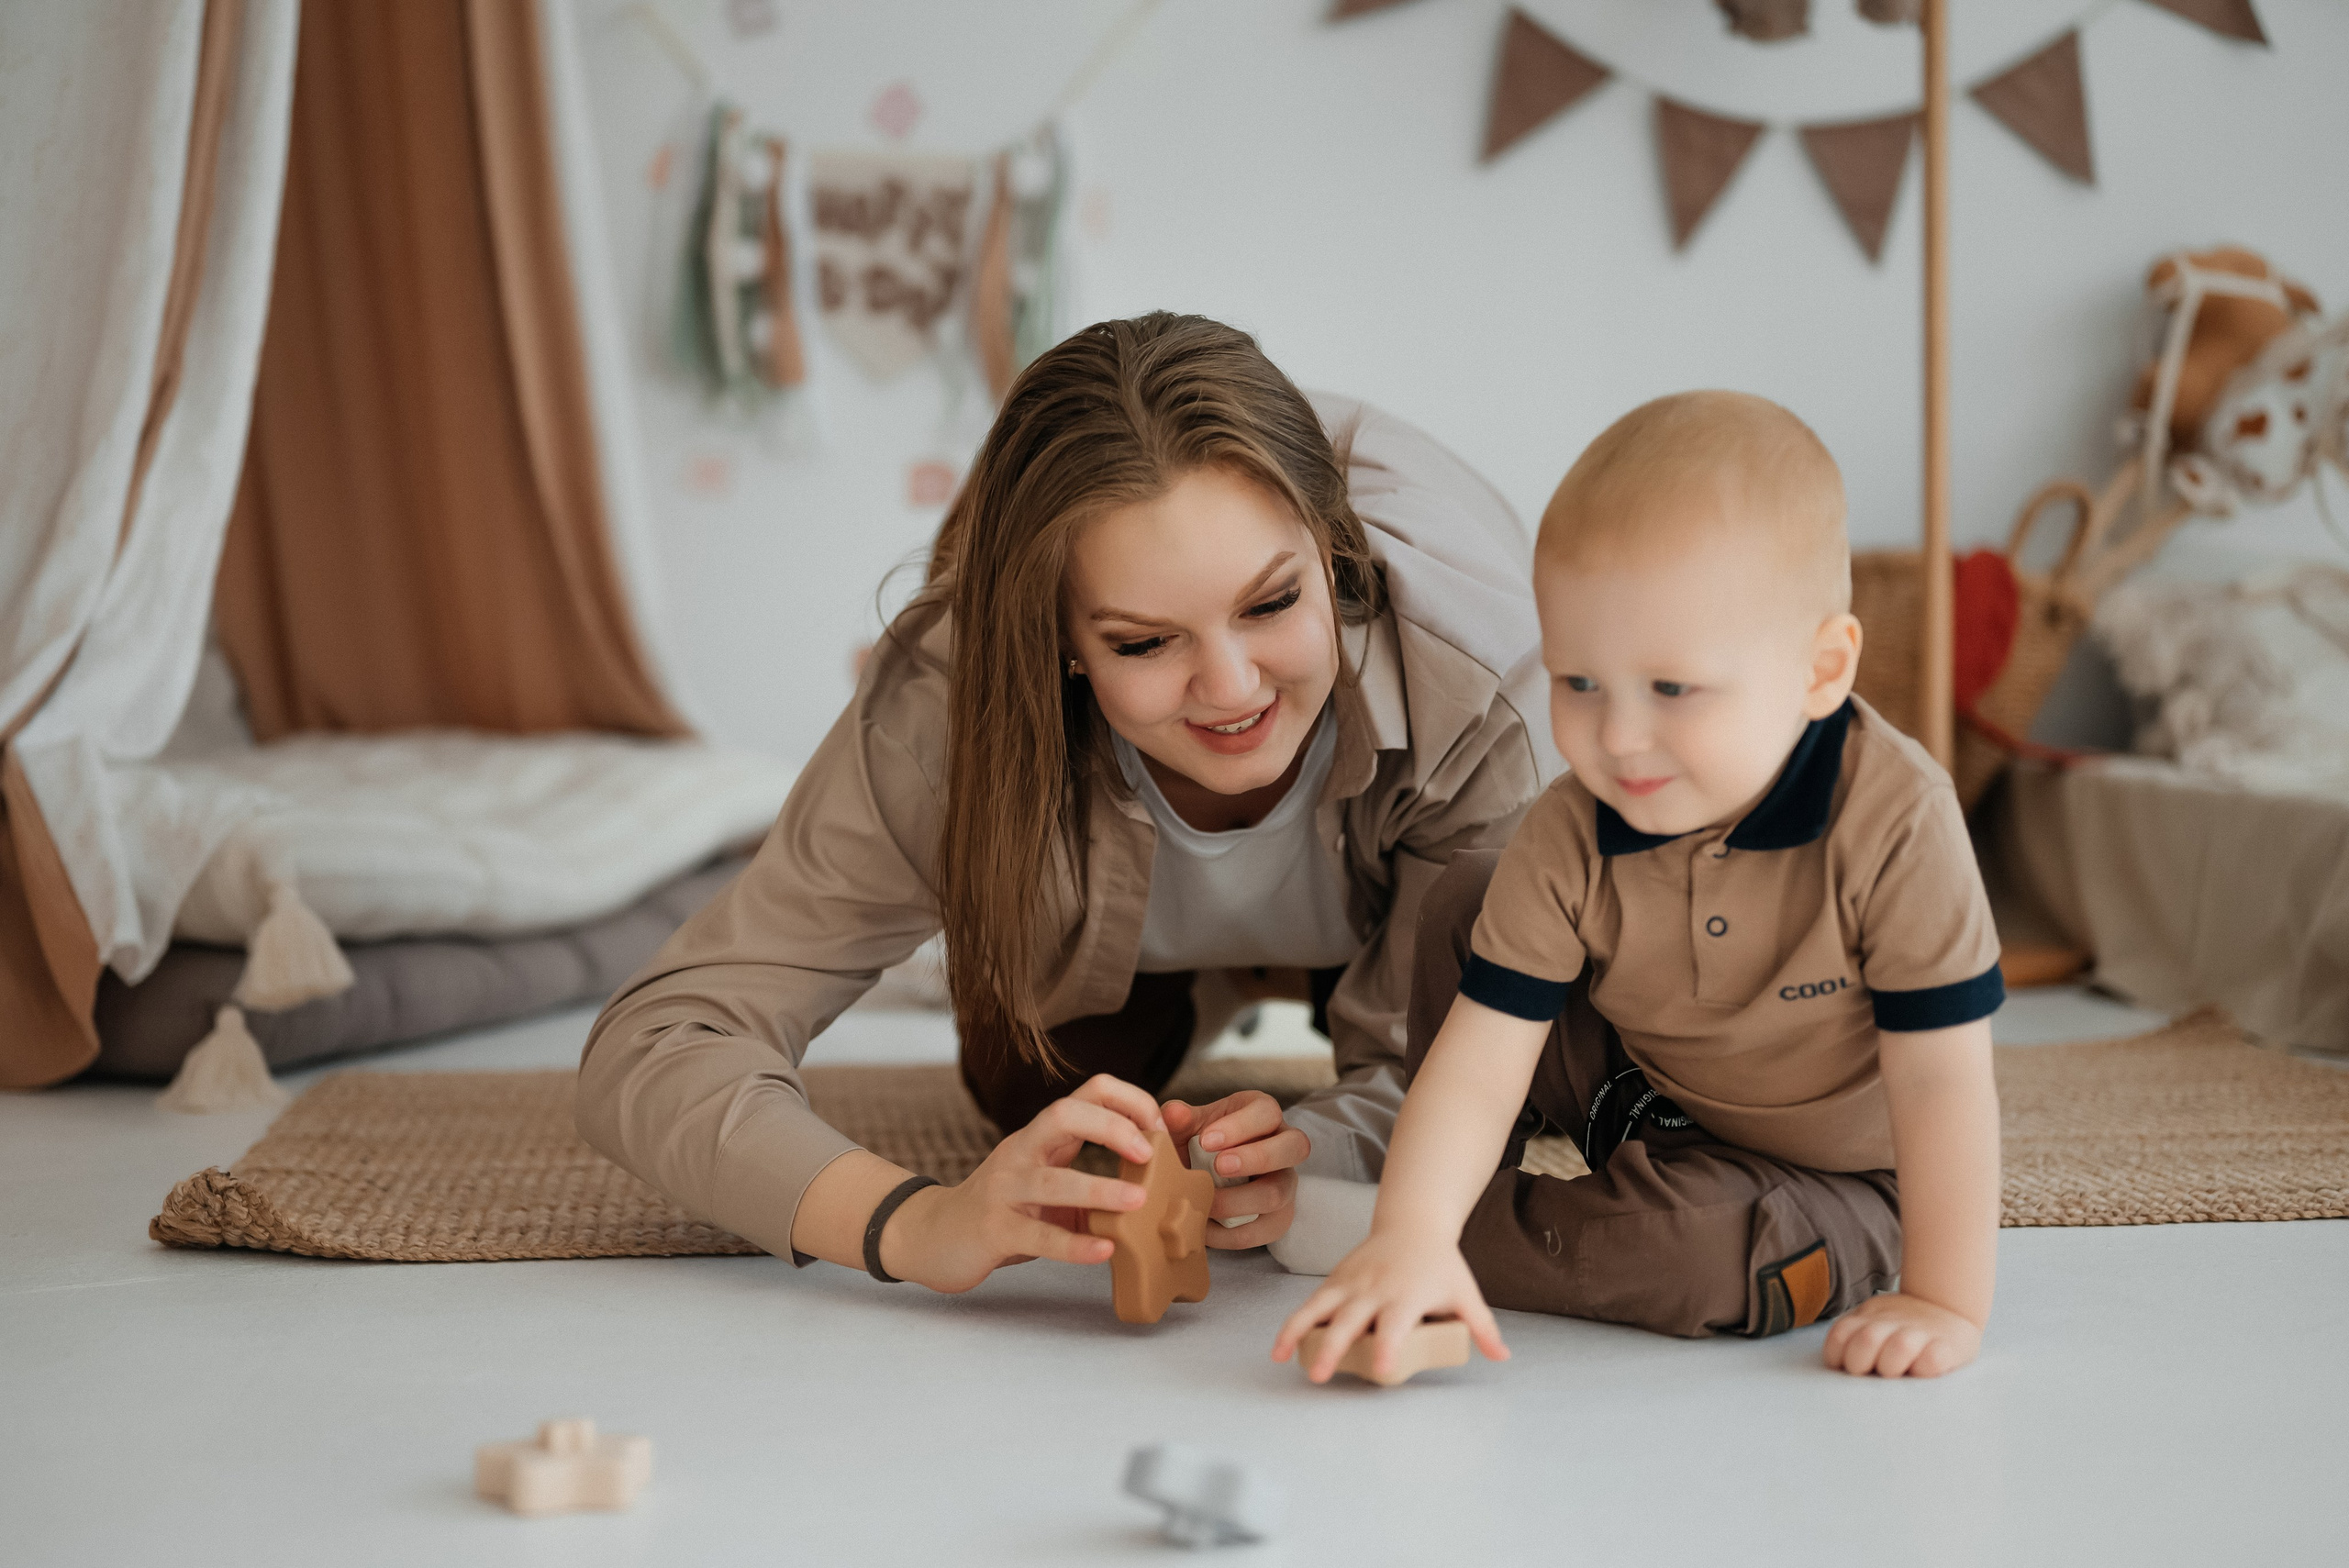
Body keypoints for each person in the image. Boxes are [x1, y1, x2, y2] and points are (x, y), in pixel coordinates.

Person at [577, 312, 1551, 1294]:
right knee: (1031, 1097)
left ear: (1331, 556)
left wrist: (1307, 1149)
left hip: (1392, 896)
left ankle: (1278, 986)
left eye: (1269, 604)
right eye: (1142, 641)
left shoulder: (1479, 686)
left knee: (1457, 1097)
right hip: (1103, 922)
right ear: (1058, 642)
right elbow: (660, 1044)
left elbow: (1472, 1066)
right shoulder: (944, 706)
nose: (1230, 687)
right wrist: (913, 1222)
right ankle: (1206, 991)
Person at [1274, 391, 2005, 1381]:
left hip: (1828, 1165)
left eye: (1670, 688)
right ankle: (1419, 1220)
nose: (1616, 737)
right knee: (1467, 898)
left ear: (1820, 669)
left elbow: (1941, 1080)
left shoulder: (1896, 823)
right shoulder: (1577, 822)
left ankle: (1450, 1236)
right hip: (1639, 1076)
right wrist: (1415, 1223)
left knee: (1706, 1254)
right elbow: (1486, 1058)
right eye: (1579, 682)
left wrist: (1943, 1296)